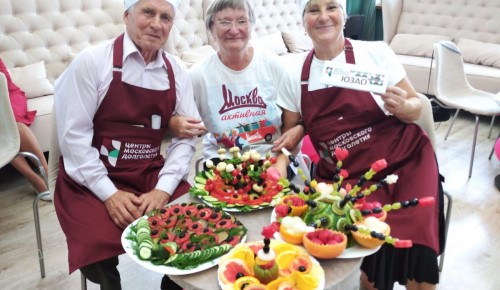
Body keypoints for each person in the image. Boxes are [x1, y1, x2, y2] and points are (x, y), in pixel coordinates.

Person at [275, 1, 445, 289]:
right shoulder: (294, 74)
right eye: (313, 10)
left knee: (416, 250)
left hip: (405, 162)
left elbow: (417, 105)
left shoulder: (375, 53)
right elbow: (288, 138)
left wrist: (405, 106)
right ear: (303, 22)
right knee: (368, 256)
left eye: (332, 7)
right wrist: (295, 136)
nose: (323, 16)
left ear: (344, 15)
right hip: (347, 178)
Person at [53, 0, 203, 289]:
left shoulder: (177, 71)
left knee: (195, 222)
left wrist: (163, 189)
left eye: (166, 17)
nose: (157, 24)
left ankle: (172, 285)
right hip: (91, 179)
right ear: (126, 16)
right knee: (95, 244)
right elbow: (73, 139)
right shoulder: (93, 61)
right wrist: (109, 194)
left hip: (148, 173)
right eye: (148, 12)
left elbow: (187, 138)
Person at [187, 0, 304, 178]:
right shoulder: (197, 75)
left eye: (242, 21)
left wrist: (280, 163)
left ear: (251, 26)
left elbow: (292, 129)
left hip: (273, 158)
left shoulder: (274, 65)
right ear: (211, 29)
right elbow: (180, 122)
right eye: (225, 22)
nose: (234, 29)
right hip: (223, 162)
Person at [0, 58, 51, 201]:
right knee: (2, 131)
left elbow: (4, 81)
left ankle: (48, 175)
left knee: (14, 124)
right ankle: (33, 178)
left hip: (8, 95)